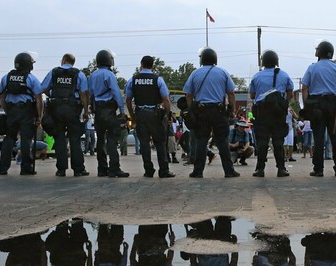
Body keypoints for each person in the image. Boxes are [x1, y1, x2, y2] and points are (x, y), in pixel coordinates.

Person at [182, 47, 240, 178]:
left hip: (201, 112)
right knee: (223, 142)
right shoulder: (223, 73)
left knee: (201, 142)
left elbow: (188, 95)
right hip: (219, 111)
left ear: (202, 60)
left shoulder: (195, 74)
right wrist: (232, 110)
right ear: (215, 59)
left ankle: (198, 171)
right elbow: (231, 93)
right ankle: (229, 171)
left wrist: (192, 110)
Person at [302, 40, 336, 177]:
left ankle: (318, 169)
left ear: (318, 52)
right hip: (333, 106)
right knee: (335, 137)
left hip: (316, 105)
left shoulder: (312, 68)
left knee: (318, 138)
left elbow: (304, 88)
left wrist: (307, 106)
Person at [125, 55, 175, 178]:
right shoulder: (158, 79)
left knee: (144, 143)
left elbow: (128, 100)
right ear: (152, 65)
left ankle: (148, 170)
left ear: (141, 64)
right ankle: (164, 170)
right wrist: (168, 115)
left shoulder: (133, 80)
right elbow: (166, 99)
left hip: (140, 114)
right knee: (160, 143)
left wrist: (132, 116)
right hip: (155, 114)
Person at [41, 53, 90, 177]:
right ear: (73, 62)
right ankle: (78, 169)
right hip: (73, 109)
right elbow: (84, 93)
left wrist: (52, 95)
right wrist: (85, 111)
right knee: (75, 139)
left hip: (57, 109)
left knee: (60, 139)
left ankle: (61, 170)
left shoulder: (54, 72)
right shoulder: (79, 74)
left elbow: (43, 88)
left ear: (63, 60)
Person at [0, 52, 43, 176]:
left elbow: (1, 96)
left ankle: (2, 168)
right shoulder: (31, 79)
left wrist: (7, 111)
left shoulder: (6, 77)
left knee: (9, 138)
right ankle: (26, 168)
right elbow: (38, 99)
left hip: (11, 111)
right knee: (26, 140)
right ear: (28, 64)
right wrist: (39, 116)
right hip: (26, 112)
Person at [248, 50, 294, 177]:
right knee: (278, 141)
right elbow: (290, 93)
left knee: (262, 141)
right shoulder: (284, 75)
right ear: (276, 61)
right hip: (278, 112)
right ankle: (281, 169)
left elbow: (252, 95)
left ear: (263, 62)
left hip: (262, 112)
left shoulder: (257, 76)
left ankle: (260, 169)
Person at [89, 50, 129, 178]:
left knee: (100, 141)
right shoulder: (109, 75)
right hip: (109, 110)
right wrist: (122, 111)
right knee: (112, 139)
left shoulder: (92, 75)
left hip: (98, 111)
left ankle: (102, 169)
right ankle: (114, 169)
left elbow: (90, 94)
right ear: (109, 61)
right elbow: (116, 93)